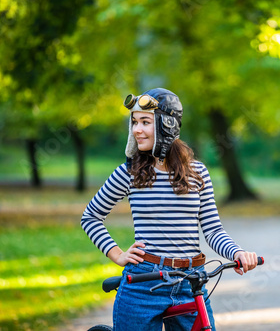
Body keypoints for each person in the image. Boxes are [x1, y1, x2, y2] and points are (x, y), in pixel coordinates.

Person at [81, 88, 258, 331]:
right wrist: (117, 254)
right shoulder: (128, 173)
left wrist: (237, 253)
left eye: (145, 122)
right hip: (144, 282)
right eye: (134, 122)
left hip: (191, 283)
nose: (136, 130)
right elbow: (91, 216)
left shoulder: (197, 173)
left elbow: (213, 230)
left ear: (167, 125)